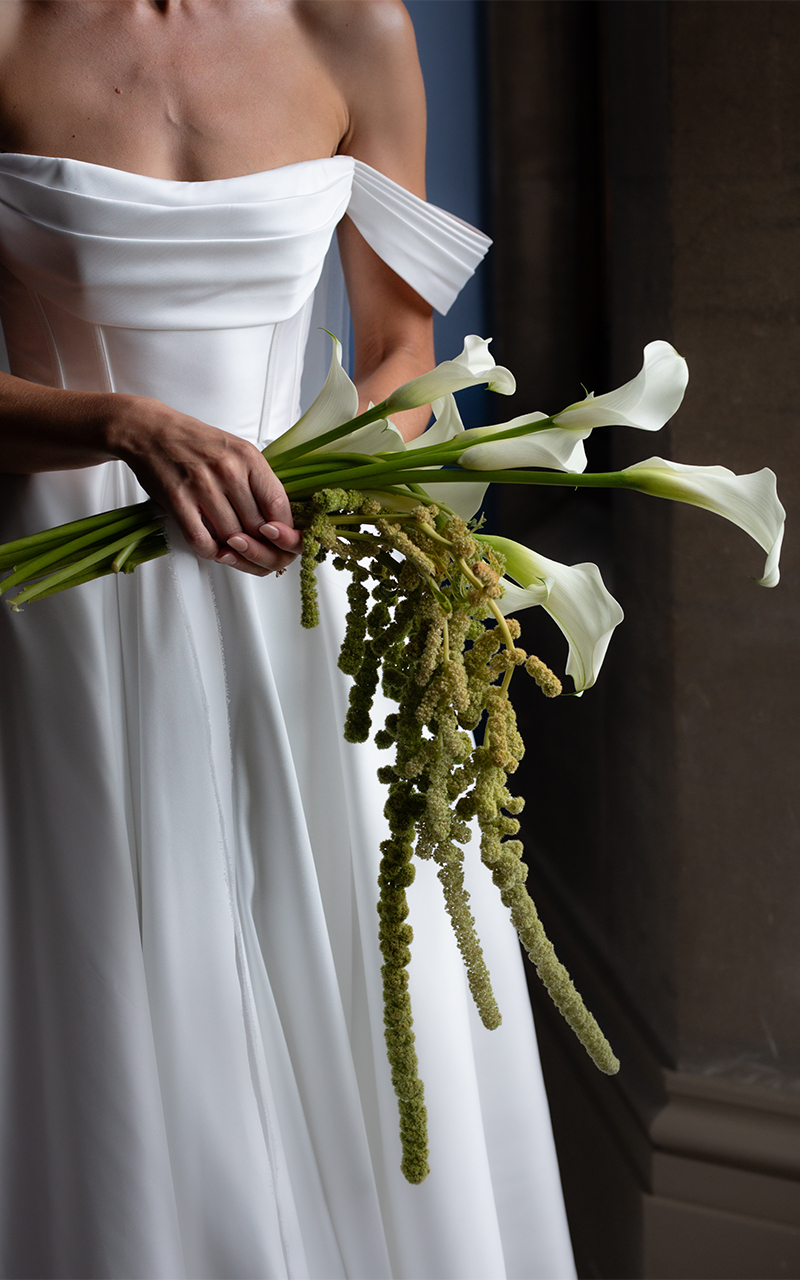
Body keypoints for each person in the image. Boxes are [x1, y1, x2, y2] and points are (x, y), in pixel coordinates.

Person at [0, 2, 576, 1277]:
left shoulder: (355, 28)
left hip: (307, 585)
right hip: (59, 602)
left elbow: (395, 350)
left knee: (365, 988)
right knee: (109, 990)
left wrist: (353, 487)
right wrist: (120, 424)